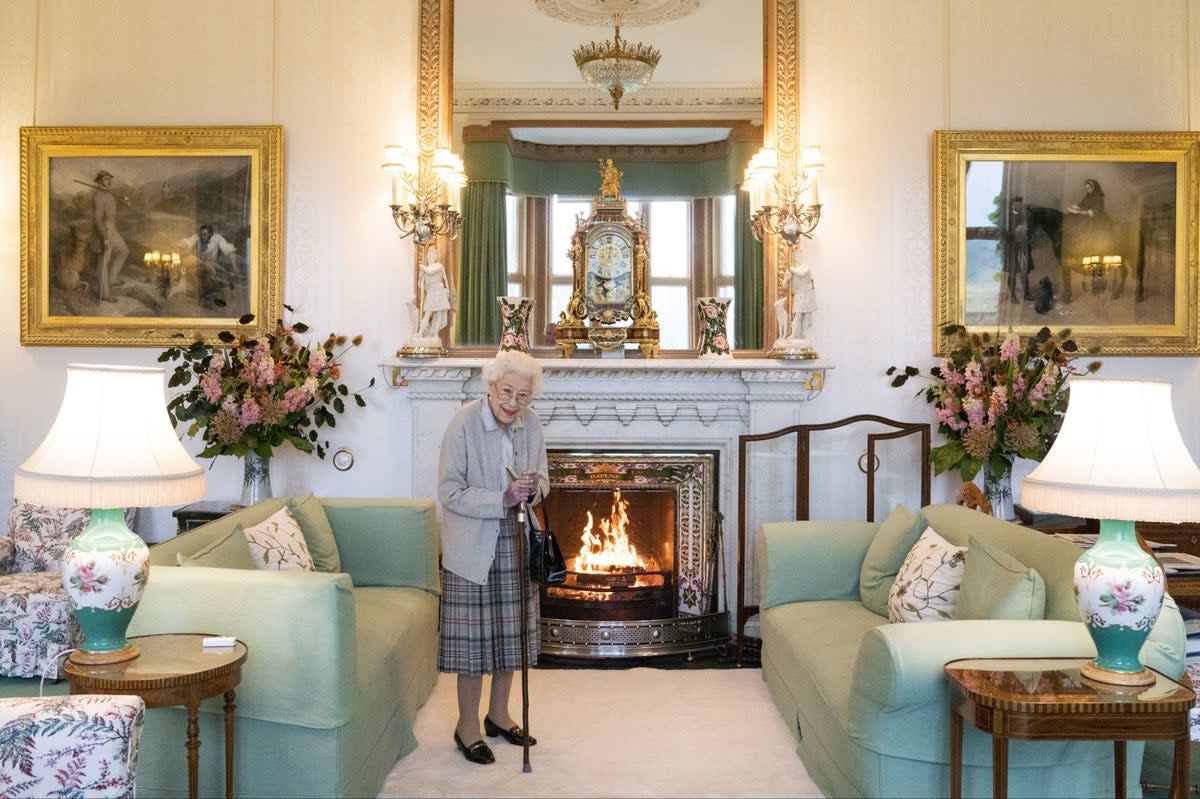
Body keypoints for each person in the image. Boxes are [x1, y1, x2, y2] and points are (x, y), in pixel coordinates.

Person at [437, 350, 549, 765]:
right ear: (490, 386)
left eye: (522, 395)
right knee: (474, 645)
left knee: (510, 636)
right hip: (472, 545)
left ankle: (498, 716)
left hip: (517, 539)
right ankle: (467, 726)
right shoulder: (464, 423)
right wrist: (501, 497)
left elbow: (544, 480)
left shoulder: (531, 423)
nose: (513, 403)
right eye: (507, 392)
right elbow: (449, 492)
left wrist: (532, 488)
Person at [91, 170, 129, 302]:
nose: (109, 181)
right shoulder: (98, 197)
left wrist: (123, 200)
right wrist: (104, 237)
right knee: (103, 262)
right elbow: (97, 219)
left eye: (109, 178)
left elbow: (112, 209)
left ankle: (112, 280)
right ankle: (104, 293)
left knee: (123, 251)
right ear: (99, 181)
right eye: (105, 179)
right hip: (103, 230)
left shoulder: (109, 194)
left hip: (112, 228)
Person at [418, 249, 453, 339]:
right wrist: (420, 276)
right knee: (427, 314)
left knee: (439, 314)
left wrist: (422, 268)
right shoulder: (426, 269)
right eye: (429, 255)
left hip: (439, 292)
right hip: (431, 293)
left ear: (436, 257)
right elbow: (421, 285)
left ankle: (435, 334)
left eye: (433, 255)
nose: (431, 256)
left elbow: (431, 272)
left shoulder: (439, 266)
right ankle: (420, 333)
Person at [786, 251, 816, 339]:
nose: (798, 258)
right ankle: (794, 334)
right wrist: (788, 277)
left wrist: (792, 270)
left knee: (806, 314)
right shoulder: (792, 269)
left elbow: (801, 274)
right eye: (796, 256)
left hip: (806, 293)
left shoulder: (805, 267)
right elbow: (786, 283)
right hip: (798, 293)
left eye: (800, 256)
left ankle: (804, 333)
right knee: (798, 314)